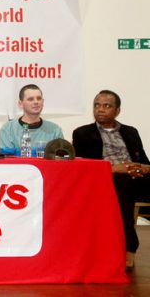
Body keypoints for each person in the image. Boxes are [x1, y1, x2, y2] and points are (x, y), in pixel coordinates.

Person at [72, 90, 150, 270]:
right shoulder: (82, 133)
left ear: (117, 110)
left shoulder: (130, 132)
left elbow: (144, 160)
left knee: (129, 181)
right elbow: (84, 167)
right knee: (123, 185)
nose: (100, 110)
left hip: (135, 174)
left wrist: (140, 167)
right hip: (107, 178)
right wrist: (116, 168)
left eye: (107, 106)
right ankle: (129, 247)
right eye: (97, 105)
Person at [0, 84, 63, 154]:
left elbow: (59, 160)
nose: (36, 102)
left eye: (39, 98)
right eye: (30, 99)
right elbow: (8, 160)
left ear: (43, 102)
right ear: (20, 104)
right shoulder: (8, 129)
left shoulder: (55, 130)